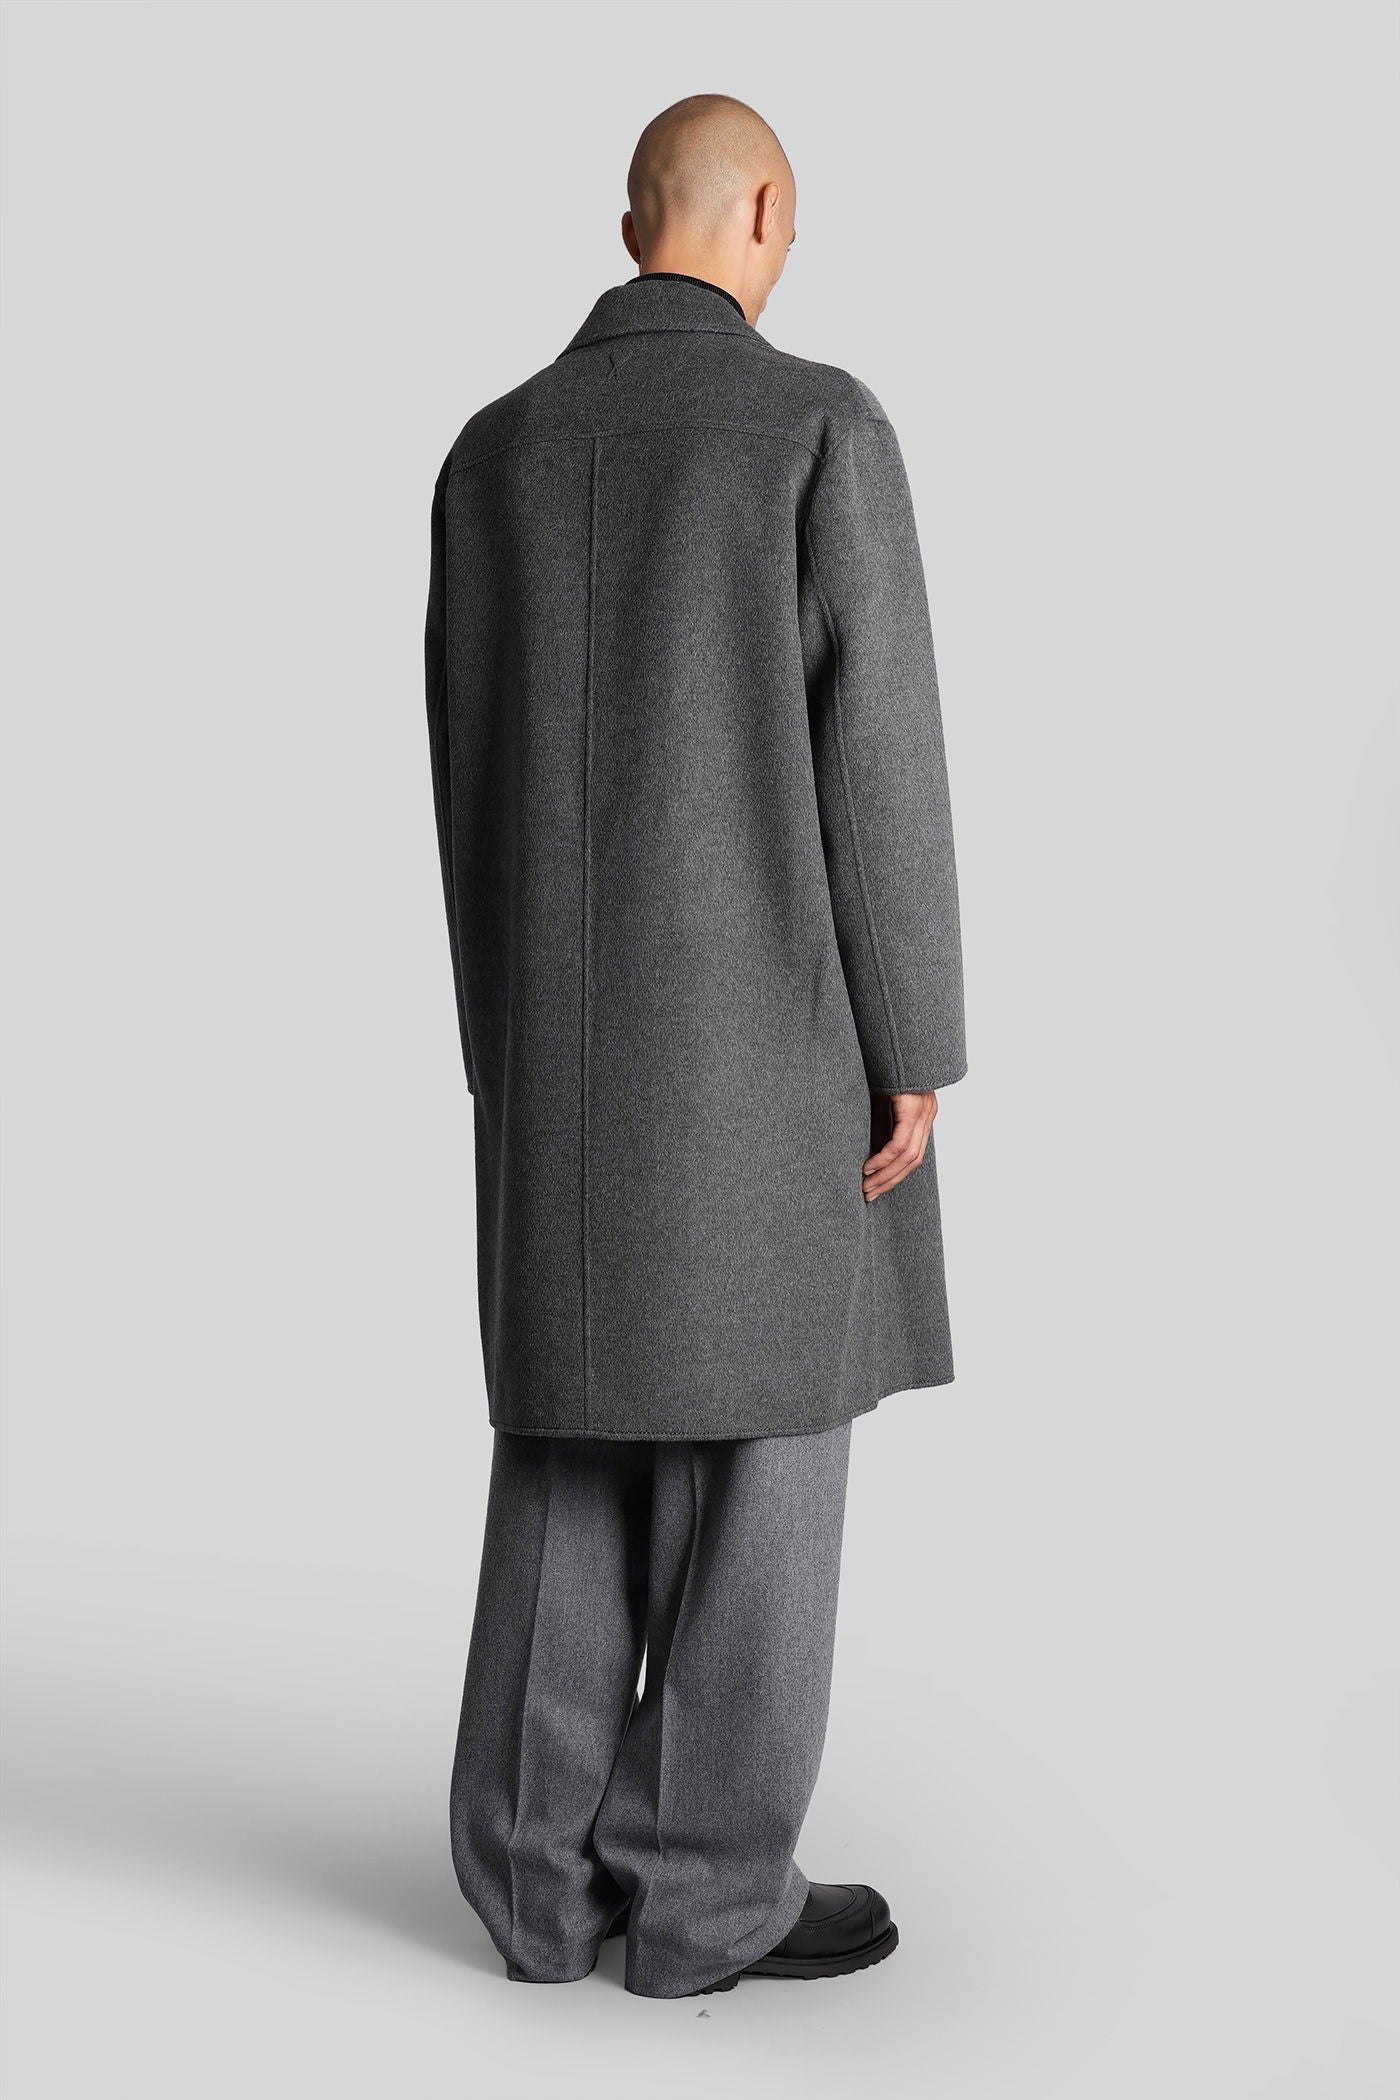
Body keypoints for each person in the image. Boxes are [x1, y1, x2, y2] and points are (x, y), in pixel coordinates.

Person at [423, 93, 966, 2001]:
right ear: (758, 216)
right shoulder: (817, 426)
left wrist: (502, 1044)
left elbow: (462, 781)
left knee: (569, 1444)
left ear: (627, 225)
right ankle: (706, 1894)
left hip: (555, 1055)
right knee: (764, 1451)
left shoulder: (492, 454)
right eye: (785, 224)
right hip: (768, 1041)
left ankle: (531, 1881)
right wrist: (917, 1040)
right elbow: (876, 765)